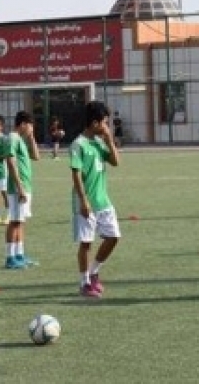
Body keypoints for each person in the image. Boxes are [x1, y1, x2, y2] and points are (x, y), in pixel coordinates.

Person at [71, 101, 120, 298]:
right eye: (104, 123)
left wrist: (109, 140)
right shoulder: (78, 144)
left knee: (113, 237)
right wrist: (83, 200)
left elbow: (116, 162)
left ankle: (94, 272)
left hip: (103, 201)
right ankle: (84, 283)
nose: (107, 127)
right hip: (86, 202)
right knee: (86, 244)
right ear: (94, 123)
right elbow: (76, 175)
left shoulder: (99, 142)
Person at [4, 110, 40, 269]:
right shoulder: (12, 138)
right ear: (23, 124)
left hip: (25, 186)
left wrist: (31, 137)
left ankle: (19, 254)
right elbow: (11, 162)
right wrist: (20, 187)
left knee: (20, 222)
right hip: (18, 187)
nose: (31, 129)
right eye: (30, 126)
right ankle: (10, 257)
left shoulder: (21, 139)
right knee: (14, 221)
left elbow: (36, 156)